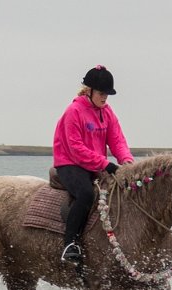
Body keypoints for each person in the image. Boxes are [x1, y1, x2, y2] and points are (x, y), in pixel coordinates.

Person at [52, 65, 134, 264]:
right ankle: (70, 243)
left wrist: (127, 162)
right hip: (70, 163)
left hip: (95, 164)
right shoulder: (74, 111)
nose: (104, 97)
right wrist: (106, 164)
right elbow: (76, 148)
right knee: (86, 194)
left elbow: (117, 141)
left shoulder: (107, 112)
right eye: (101, 93)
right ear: (88, 91)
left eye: (107, 94)